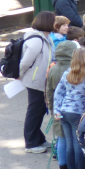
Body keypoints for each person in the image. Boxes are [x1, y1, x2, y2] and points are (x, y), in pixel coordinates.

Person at [53, 48, 85, 169]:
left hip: (65, 111)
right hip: (79, 114)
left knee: (69, 145)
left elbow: (58, 93)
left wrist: (57, 110)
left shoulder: (67, 74)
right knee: (79, 147)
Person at [18, 11, 56, 153]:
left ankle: (38, 139)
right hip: (35, 81)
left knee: (39, 111)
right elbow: (26, 61)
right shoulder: (37, 40)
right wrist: (20, 74)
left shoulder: (45, 38)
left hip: (41, 80)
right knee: (35, 111)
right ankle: (31, 143)